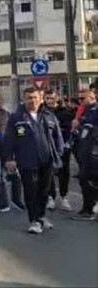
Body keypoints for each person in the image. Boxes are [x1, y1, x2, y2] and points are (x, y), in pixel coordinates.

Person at [3, 87, 64, 234]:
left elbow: (58, 137)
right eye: (29, 97)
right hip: (27, 161)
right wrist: (9, 158)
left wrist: (58, 154)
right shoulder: (17, 118)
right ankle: (34, 220)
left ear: (41, 99)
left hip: (47, 161)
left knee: (44, 191)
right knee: (31, 192)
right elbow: (9, 139)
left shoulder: (48, 115)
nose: (33, 100)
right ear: (24, 100)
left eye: (35, 97)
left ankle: (41, 216)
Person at [43, 90, 75, 211]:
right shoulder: (42, 112)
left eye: (52, 98)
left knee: (63, 172)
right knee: (48, 172)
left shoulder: (65, 112)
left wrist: (66, 143)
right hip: (47, 146)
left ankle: (64, 196)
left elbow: (70, 129)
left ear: (57, 98)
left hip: (62, 146)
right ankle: (51, 196)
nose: (49, 101)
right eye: (47, 98)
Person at [71, 88, 98, 221]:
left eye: (83, 99)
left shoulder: (95, 111)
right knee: (86, 180)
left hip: (92, 152)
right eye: (79, 99)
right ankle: (89, 208)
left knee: (88, 180)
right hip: (84, 150)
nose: (80, 101)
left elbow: (91, 131)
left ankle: (88, 210)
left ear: (92, 98)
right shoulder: (84, 111)